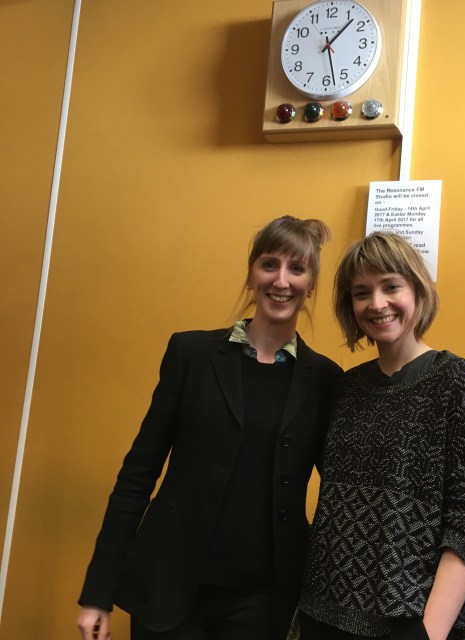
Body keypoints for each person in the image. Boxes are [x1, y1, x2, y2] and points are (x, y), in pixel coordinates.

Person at [77, 216, 342, 640]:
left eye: (297, 269)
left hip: (261, 601)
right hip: (169, 587)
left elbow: (343, 490)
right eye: (269, 264)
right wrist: (98, 592)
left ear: (311, 285)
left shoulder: (326, 379)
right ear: (251, 274)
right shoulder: (192, 353)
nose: (281, 280)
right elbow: (137, 475)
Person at [297, 232, 465, 640]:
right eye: (362, 292)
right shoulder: (345, 388)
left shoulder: (455, 381)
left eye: (391, 286)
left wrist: (430, 631)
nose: (377, 304)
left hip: (409, 620)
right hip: (323, 613)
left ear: (418, 291)